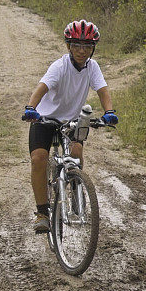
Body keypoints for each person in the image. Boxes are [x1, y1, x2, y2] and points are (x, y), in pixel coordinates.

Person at [23, 20, 118, 233]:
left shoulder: (92, 68)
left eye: (87, 46)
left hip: (72, 120)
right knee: (38, 159)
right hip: (45, 118)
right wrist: (31, 107)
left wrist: (109, 112)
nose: (81, 51)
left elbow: (103, 90)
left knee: (76, 152)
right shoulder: (60, 66)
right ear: (68, 46)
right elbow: (42, 87)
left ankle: (77, 189)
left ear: (93, 48)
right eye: (76, 45)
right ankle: (42, 213)